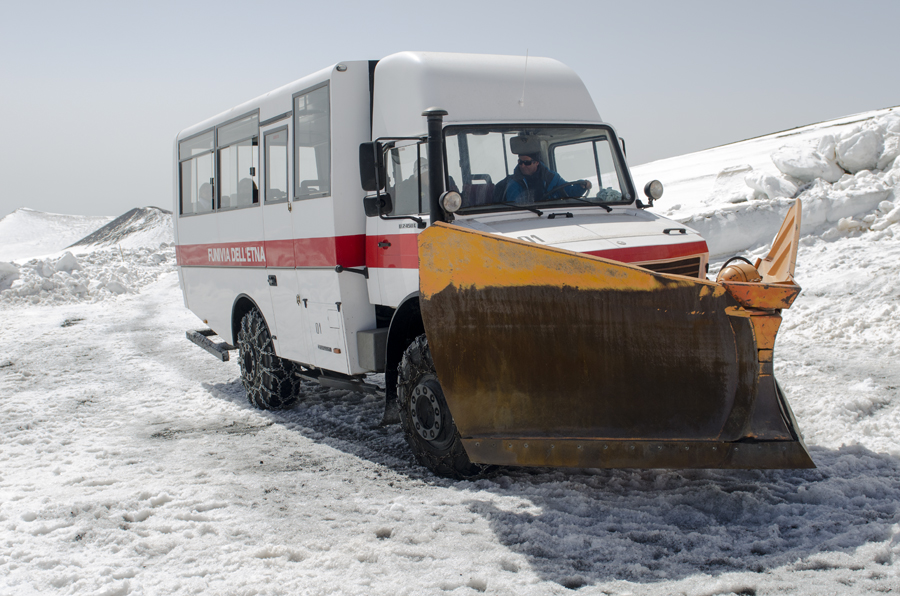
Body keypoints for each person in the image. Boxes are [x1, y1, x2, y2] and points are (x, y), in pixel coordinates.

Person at [492, 152, 590, 205]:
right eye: (520, 162)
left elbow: (568, 192)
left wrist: (582, 187)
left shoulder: (552, 177)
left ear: (537, 162)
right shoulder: (514, 183)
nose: (522, 166)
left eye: (527, 163)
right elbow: (515, 208)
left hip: (551, 216)